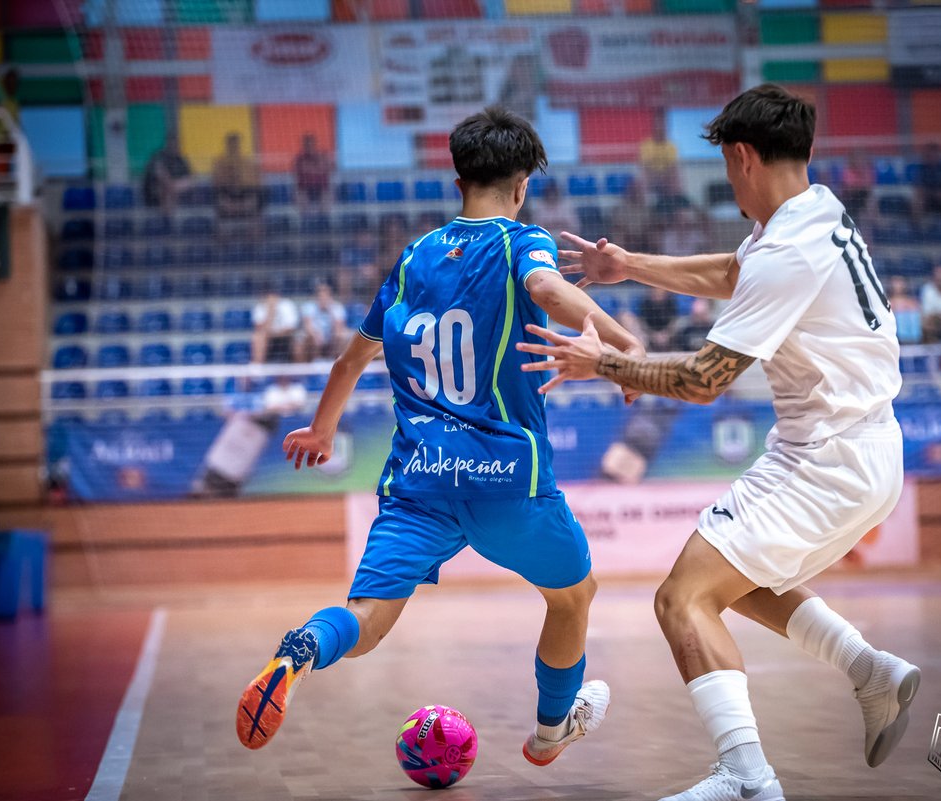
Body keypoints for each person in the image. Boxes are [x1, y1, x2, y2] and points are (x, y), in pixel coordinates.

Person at [516, 84, 920, 801]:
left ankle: (746, 778)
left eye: (728, 171)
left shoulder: (787, 249)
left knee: (681, 600)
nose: (731, 187)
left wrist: (601, 362)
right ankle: (870, 671)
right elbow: (735, 273)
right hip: (854, 447)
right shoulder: (815, 212)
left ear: (742, 157)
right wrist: (629, 265)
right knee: (736, 579)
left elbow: (705, 380)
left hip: (827, 461)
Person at [236, 106, 645, 770]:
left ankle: (302, 648)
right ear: (520, 186)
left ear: (458, 179)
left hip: (419, 482)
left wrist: (321, 428)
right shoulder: (521, 242)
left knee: (364, 618)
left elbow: (349, 360)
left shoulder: (414, 257)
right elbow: (546, 286)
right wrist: (627, 344)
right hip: (507, 483)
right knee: (573, 595)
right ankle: (548, 733)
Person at [212, 132, 263, 232]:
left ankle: (255, 241)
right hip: (226, 194)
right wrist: (230, 180)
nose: (234, 146)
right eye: (231, 143)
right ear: (227, 144)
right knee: (220, 202)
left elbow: (256, 182)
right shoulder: (219, 162)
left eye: (236, 143)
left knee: (257, 200)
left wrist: (241, 181)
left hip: (245, 194)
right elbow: (216, 183)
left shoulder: (247, 162)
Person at [298, 281, 351, 362]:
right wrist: (315, 335)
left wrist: (329, 310)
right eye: (320, 294)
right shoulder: (309, 306)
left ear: (330, 295)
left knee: (341, 336)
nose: (322, 297)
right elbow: (308, 326)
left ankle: (335, 362)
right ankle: (315, 362)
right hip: (315, 337)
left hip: (332, 337)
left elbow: (339, 327)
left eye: (325, 294)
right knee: (305, 338)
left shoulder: (337, 307)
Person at [143, 132, 193, 215]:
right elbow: (159, 175)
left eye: (178, 144)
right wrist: (171, 186)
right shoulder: (158, 157)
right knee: (164, 188)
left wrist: (176, 186)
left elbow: (191, 179)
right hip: (154, 197)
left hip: (177, 194)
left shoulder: (180, 159)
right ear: (168, 144)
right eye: (173, 143)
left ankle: (171, 215)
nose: (176, 146)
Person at [913, 141, 941, 225]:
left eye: (934, 154)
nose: (931, 157)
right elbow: (918, 188)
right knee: (918, 200)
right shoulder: (921, 168)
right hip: (927, 199)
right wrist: (933, 194)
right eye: (928, 155)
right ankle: (917, 229)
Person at [252, 289, 300, 365]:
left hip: (285, 339)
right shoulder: (260, 307)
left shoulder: (287, 305)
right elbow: (259, 329)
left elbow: (291, 328)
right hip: (268, 340)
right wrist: (271, 312)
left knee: (298, 342)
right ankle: (257, 369)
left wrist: (274, 333)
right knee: (257, 337)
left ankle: (300, 371)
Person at [532, 179, 579, 247]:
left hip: (565, 243)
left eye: (554, 193)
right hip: (546, 243)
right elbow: (536, 230)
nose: (552, 196)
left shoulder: (566, 205)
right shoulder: (539, 207)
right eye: (550, 194)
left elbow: (576, 227)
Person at [293, 133, 333, 208]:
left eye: (311, 144)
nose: (309, 147)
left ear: (314, 144)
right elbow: (297, 170)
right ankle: (303, 219)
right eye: (307, 145)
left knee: (326, 204)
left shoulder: (322, 156)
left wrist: (310, 168)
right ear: (304, 145)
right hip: (304, 188)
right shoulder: (300, 158)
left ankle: (325, 218)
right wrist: (317, 169)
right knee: (301, 202)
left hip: (322, 188)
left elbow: (329, 168)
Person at [886, 276, 923, 345]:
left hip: (914, 338)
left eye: (900, 282)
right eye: (895, 282)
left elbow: (918, 314)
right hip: (895, 339)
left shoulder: (913, 302)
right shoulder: (887, 302)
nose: (898, 285)